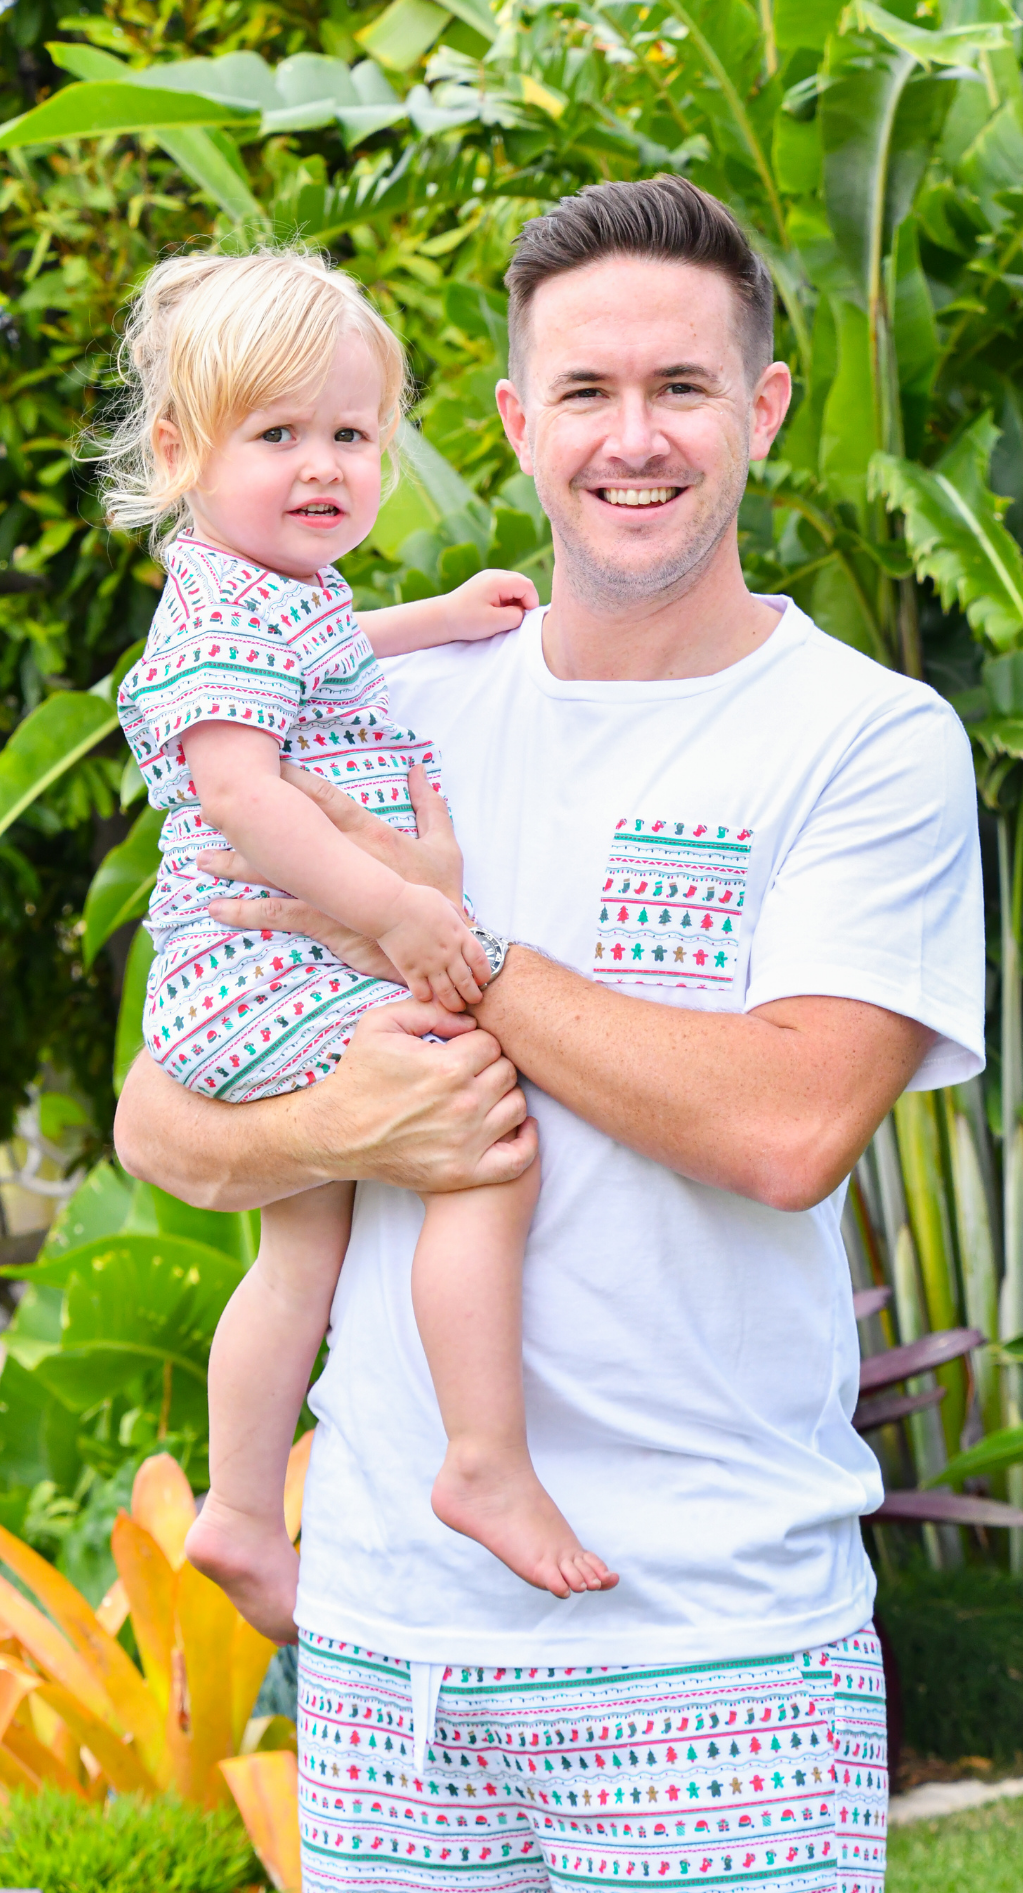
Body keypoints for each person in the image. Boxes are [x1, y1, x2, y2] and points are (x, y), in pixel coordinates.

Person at [115, 177, 985, 1893]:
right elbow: (160, 1121)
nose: (632, 438)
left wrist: (451, 946)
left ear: (765, 408)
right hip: (391, 1652)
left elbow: (786, 1130)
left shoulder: (867, 740)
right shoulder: (375, 713)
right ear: (519, 422)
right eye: (586, 390)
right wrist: (345, 1130)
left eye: (682, 387)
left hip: (712, 1647)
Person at [109, 247, 617, 1646]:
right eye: (278, 435)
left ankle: (237, 1510)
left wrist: (437, 621)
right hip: (267, 964)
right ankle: (483, 1459)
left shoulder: (264, 592)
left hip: (251, 973)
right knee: (480, 1132)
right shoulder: (221, 605)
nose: (323, 465)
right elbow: (238, 791)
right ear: (181, 453)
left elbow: (323, 654)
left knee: (299, 1259)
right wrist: (396, 911)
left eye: (351, 433)